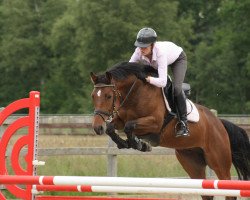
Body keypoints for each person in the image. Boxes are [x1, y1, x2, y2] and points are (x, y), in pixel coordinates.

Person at [129, 27, 189, 137]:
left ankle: (184, 123)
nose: (141, 50)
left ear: (152, 45)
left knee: (176, 88)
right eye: (139, 46)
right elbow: (128, 68)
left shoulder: (160, 53)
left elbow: (162, 82)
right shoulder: (138, 51)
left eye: (144, 47)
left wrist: (147, 79)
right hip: (156, 64)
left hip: (178, 59)